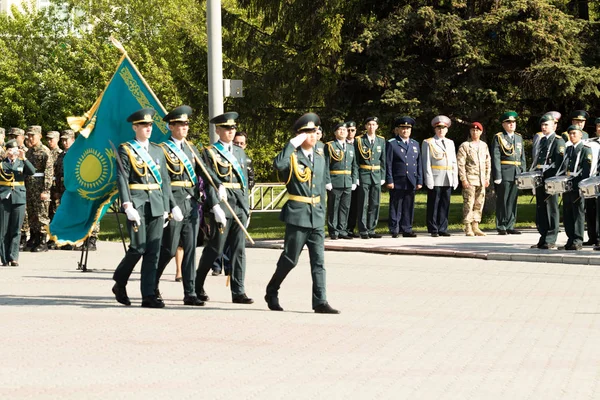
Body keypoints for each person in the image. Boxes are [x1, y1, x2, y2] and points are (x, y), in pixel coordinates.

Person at [266, 112, 339, 314]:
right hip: (298, 215)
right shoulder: (291, 156)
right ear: (299, 135)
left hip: (316, 215)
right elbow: (277, 165)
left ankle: (320, 301)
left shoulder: (320, 154)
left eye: (315, 131)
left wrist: (323, 212)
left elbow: (323, 184)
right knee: (290, 259)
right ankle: (272, 290)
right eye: (308, 132)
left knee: (319, 261)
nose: (313, 135)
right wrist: (291, 144)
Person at [112, 108, 172, 308]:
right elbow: (122, 177)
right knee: (138, 248)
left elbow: (164, 179)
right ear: (135, 127)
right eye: (144, 125)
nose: (148, 128)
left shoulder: (157, 150)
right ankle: (120, 281)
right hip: (137, 202)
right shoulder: (126, 149)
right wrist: (127, 204)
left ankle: (148, 295)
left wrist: (166, 207)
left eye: (150, 125)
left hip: (156, 203)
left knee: (153, 250)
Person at [194, 111, 253, 304]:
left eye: (233, 128)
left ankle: (238, 291)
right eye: (227, 128)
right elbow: (209, 181)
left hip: (239, 204)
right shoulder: (209, 152)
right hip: (222, 205)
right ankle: (197, 283)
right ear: (218, 130)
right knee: (216, 247)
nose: (231, 131)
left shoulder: (240, 152)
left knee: (239, 249)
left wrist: (247, 207)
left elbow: (244, 182)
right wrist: (215, 206)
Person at [154, 105, 203, 306]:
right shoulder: (162, 149)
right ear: (171, 127)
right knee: (169, 248)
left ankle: (190, 292)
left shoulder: (192, 148)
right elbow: (163, 180)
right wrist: (170, 205)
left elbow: (204, 172)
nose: (184, 128)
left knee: (191, 249)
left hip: (191, 202)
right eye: (180, 124)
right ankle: (152, 283)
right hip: (174, 201)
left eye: (186, 124)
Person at [212, 130, 254, 276]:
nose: (239, 145)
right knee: (217, 243)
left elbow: (248, 183)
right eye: (237, 143)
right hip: (223, 202)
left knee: (237, 246)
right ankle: (216, 266)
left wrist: (247, 208)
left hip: (239, 202)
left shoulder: (245, 159)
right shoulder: (213, 153)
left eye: (242, 143)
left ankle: (237, 286)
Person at [530, 115, 564, 249]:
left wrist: (555, 180)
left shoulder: (558, 141)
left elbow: (560, 163)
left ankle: (551, 238)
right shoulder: (543, 141)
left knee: (551, 208)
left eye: (547, 125)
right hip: (540, 177)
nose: (544, 127)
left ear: (554, 126)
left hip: (550, 178)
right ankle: (543, 236)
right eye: (542, 125)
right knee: (541, 208)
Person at [0, 140, 36, 266]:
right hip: (4, 198)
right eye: (10, 150)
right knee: (3, 229)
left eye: (15, 150)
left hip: (19, 197)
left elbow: (32, 171)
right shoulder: (2, 164)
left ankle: (13, 257)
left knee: (16, 229)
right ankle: (4, 258)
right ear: (6, 151)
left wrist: (24, 158)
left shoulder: (21, 162)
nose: (12, 153)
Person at [385, 116, 422, 238]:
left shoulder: (415, 144)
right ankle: (394, 228)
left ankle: (407, 228)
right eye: (403, 128)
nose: (405, 130)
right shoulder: (392, 143)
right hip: (398, 179)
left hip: (411, 179)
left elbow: (418, 163)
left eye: (407, 128)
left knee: (408, 205)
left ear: (410, 130)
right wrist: (389, 179)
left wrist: (419, 180)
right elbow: (388, 163)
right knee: (396, 204)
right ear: (398, 130)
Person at [422, 115, 458, 237]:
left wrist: (455, 178)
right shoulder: (428, 142)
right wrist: (429, 179)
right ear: (435, 129)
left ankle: (443, 227)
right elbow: (426, 162)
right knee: (434, 203)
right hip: (435, 176)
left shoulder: (450, 143)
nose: (441, 130)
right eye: (439, 128)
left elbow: (453, 161)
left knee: (445, 203)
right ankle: (433, 228)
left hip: (447, 176)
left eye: (443, 128)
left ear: (447, 129)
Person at [492, 111, 526, 235]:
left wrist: (523, 173)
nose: (512, 124)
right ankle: (501, 225)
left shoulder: (518, 137)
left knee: (513, 199)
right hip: (505, 172)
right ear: (503, 124)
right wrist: (497, 175)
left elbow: (522, 157)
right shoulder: (499, 137)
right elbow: (496, 157)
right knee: (503, 199)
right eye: (509, 122)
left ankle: (510, 224)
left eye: (513, 122)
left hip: (516, 172)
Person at [456, 122, 491, 237]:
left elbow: (487, 162)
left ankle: (476, 225)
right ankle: (467, 226)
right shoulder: (465, 146)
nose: (475, 132)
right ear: (470, 132)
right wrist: (463, 179)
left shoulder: (483, 145)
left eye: (477, 130)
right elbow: (460, 164)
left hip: (481, 179)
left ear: (481, 132)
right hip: (470, 178)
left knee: (479, 203)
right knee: (469, 202)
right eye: (473, 130)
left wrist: (487, 178)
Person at [560, 125, 592, 250]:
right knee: (567, 213)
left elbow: (586, 170)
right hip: (567, 185)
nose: (572, 136)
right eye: (570, 134)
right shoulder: (569, 149)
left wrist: (581, 186)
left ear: (581, 135)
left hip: (577, 185)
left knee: (578, 213)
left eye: (574, 133)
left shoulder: (585, 149)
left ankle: (578, 240)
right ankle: (570, 238)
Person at [324, 122, 357, 240]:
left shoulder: (351, 147)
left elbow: (354, 166)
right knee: (333, 207)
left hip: (347, 181)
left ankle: (342, 230)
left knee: (345, 207)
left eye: (344, 129)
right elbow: (326, 165)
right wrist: (327, 181)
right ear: (335, 132)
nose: (342, 131)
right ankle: (333, 231)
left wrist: (354, 181)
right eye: (340, 130)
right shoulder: (330, 146)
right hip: (335, 181)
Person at [354, 116, 386, 239]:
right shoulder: (359, 140)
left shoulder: (381, 140)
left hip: (376, 175)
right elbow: (356, 161)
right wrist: (356, 177)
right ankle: (363, 230)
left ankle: (372, 228)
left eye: (374, 124)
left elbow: (383, 160)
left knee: (375, 203)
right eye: (369, 124)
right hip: (364, 174)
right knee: (363, 203)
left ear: (377, 126)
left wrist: (383, 175)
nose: (371, 127)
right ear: (366, 126)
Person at [24, 126, 53, 252]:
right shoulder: (29, 152)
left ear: (40, 136)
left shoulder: (45, 151)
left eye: (33, 135)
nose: (30, 138)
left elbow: (49, 171)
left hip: (40, 186)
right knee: (32, 213)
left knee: (42, 214)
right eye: (29, 135)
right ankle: (34, 237)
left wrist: (46, 190)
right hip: (30, 186)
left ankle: (42, 241)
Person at [48, 130, 75, 250]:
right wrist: (57, 190)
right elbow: (58, 174)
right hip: (62, 188)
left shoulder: (77, 154)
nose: (64, 142)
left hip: (73, 189)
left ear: (73, 140)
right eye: (63, 140)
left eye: (67, 140)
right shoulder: (61, 156)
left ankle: (71, 240)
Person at [7, 128, 29, 250]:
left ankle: (26, 238)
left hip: (22, 188)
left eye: (16, 136)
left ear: (22, 137)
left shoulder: (25, 152)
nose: (13, 139)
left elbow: (30, 170)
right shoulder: (7, 152)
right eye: (11, 136)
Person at [345, 120, 360, 237]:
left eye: (352, 130)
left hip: (358, 177)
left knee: (355, 204)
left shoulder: (359, 142)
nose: (350, 132)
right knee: (345, 204)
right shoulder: (340, 143)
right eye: (348, 130)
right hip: (344, 177)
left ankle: (351, 228)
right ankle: (343, 228)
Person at [588, 117, 600, 247]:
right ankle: (593, 236)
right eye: (598, 127)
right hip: (592, 179)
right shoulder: (591, 143)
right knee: (591, 208)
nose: (599, 129)